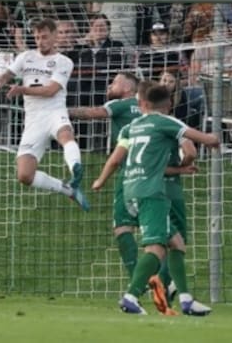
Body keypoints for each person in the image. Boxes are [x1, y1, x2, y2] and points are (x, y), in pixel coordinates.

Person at [91, 85, 219, 315]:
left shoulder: (131, 128)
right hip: (152, 193)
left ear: (143, 104)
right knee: (157, 249)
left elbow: (116, 159)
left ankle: (187, 300)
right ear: (169, 104)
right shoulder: (166, 122)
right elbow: (200, 139)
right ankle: (131, 296)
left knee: (176, 243)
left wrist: (100, 180)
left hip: (130, 190)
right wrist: (214, 138)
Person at [0, 18, 89, 211]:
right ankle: (68, 189)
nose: (40, 41)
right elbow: (7, 73)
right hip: (33, 119)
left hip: (54, 111)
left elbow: (51, 90)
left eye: (44, 37)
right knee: (24, 175)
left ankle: (76, 170)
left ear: (55, 36)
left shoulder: (64, 61)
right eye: (37, 37)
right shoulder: (26, 57)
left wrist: (22, 90)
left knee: (66, 134)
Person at [70, 73, 142, 277]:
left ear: (128, 88)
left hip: (129, 173)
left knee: (122, 226)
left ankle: (139, 278)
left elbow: (94, 113)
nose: (110, 85)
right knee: (160, 233)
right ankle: (167, 282)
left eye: (115, 82)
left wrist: (60, 112)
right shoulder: (148, 111)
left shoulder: (121, 104)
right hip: (155, 173)